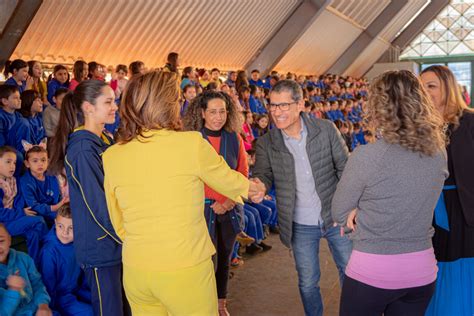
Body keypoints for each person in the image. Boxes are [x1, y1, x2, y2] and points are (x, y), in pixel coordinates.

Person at [102, 71, 264, 316]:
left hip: (137, 269)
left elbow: (118, 221)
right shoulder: (191, 144)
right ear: (168, 105)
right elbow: (235, 183)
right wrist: (258, 188)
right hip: (185, 268)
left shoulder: (112, 155)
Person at [332, 70, 448, 315]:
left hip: (372, 270)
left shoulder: (367, 156)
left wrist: (358, 211)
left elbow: (340, 210)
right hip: (421, 271)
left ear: (377, 107)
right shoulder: (438, 153)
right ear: (420, 103)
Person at [252, 79, 351, 316]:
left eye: (283, 105)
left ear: (300, 105)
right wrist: (260, 186)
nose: (277, 112)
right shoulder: (267, 143)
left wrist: (346, 209)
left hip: (335, 217)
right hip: (299, 225)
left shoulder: (326, 130)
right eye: (273, 106)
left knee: (350, 273)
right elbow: (263, 174)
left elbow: (345, 169)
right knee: (308, 283)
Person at [48, 80, 130, 316]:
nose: (114, 107)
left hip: (116, 240)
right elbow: (97, 203)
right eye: (108, 102)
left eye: (114, 101)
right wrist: (124, 235)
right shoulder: (83, 148)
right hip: (102, 245)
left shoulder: (103, 139)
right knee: (110, 310)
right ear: (88, 107)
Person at [183, 90, 254, 315]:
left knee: (223, 258)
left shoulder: (234, 138)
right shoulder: (190, 139)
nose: (218, 116)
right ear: (202, 113)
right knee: (203, 263)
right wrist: (214, 199)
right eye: (212, 111)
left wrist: (228, 201)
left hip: (229, 209)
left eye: (222, 111)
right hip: (199, 210)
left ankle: (220, 303)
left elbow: (242, 171)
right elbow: (188, 176)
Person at [421, 65, 474, 316]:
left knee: (461, 265)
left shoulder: (470, 122)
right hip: (427, 211)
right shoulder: (418, 127)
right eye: (421, 87)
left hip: (465, 210)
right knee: (432, 268)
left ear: (448, 87)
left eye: (431, 86)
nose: (425, 91)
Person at [40, 204, 93, 316]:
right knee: (89, 313)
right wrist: (52, 309)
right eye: (60, 226)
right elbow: (48, 284)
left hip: (77, 289)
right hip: (60, 297)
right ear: (55, 223)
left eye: (71, 228)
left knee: (103, 303)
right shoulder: (49, 252)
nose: (65, 232)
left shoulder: (80, 243)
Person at [0, 223, 52, 315]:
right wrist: (13, 290)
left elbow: (37, 284)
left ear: (9, 240)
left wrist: (43, 305)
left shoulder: (24, 258)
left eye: (1, 241)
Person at [20, 144, 68, 225]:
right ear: (27, 163)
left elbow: (58, 196)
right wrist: (55, 207)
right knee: (61, 219)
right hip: (38, 212)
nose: (40, 164)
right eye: (35, 161)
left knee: (69, 214)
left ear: (48, 162)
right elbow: (33, 206)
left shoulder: (52, 176)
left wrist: (61, 204)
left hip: (54, 208)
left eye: (43, 160)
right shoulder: (25, 181)